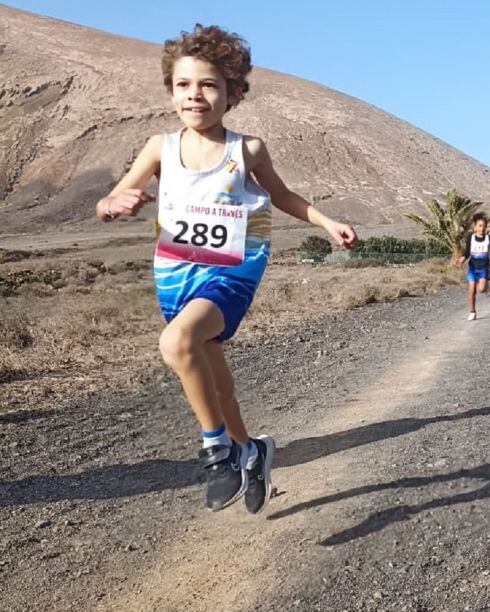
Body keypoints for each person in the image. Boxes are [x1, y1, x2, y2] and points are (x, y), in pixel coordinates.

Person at [94, 25, 357, 512]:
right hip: (175, 277)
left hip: (232, 273)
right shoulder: (159, 148)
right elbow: (106, 202)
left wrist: (326, 221)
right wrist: (115, 203)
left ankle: (217, 453)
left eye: (209, 85)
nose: (196, 95)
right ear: (171, 91)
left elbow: (281, 197)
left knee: (176, 343)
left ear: (233, 93)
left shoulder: (247, 150)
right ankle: (252, 451)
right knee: (218, 382)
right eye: (184, 85)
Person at [457, 212, 490, 320]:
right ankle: (472, 312)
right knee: (472, 290)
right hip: (472, 268)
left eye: (484, 226)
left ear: (486, 227)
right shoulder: (470, 238)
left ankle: (486, 286)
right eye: (479, 226)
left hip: (484, 268)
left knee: (481, 290)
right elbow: (467, 252)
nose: (482, 228)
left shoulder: (489, 239)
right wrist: (462, 259)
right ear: (475, 227)